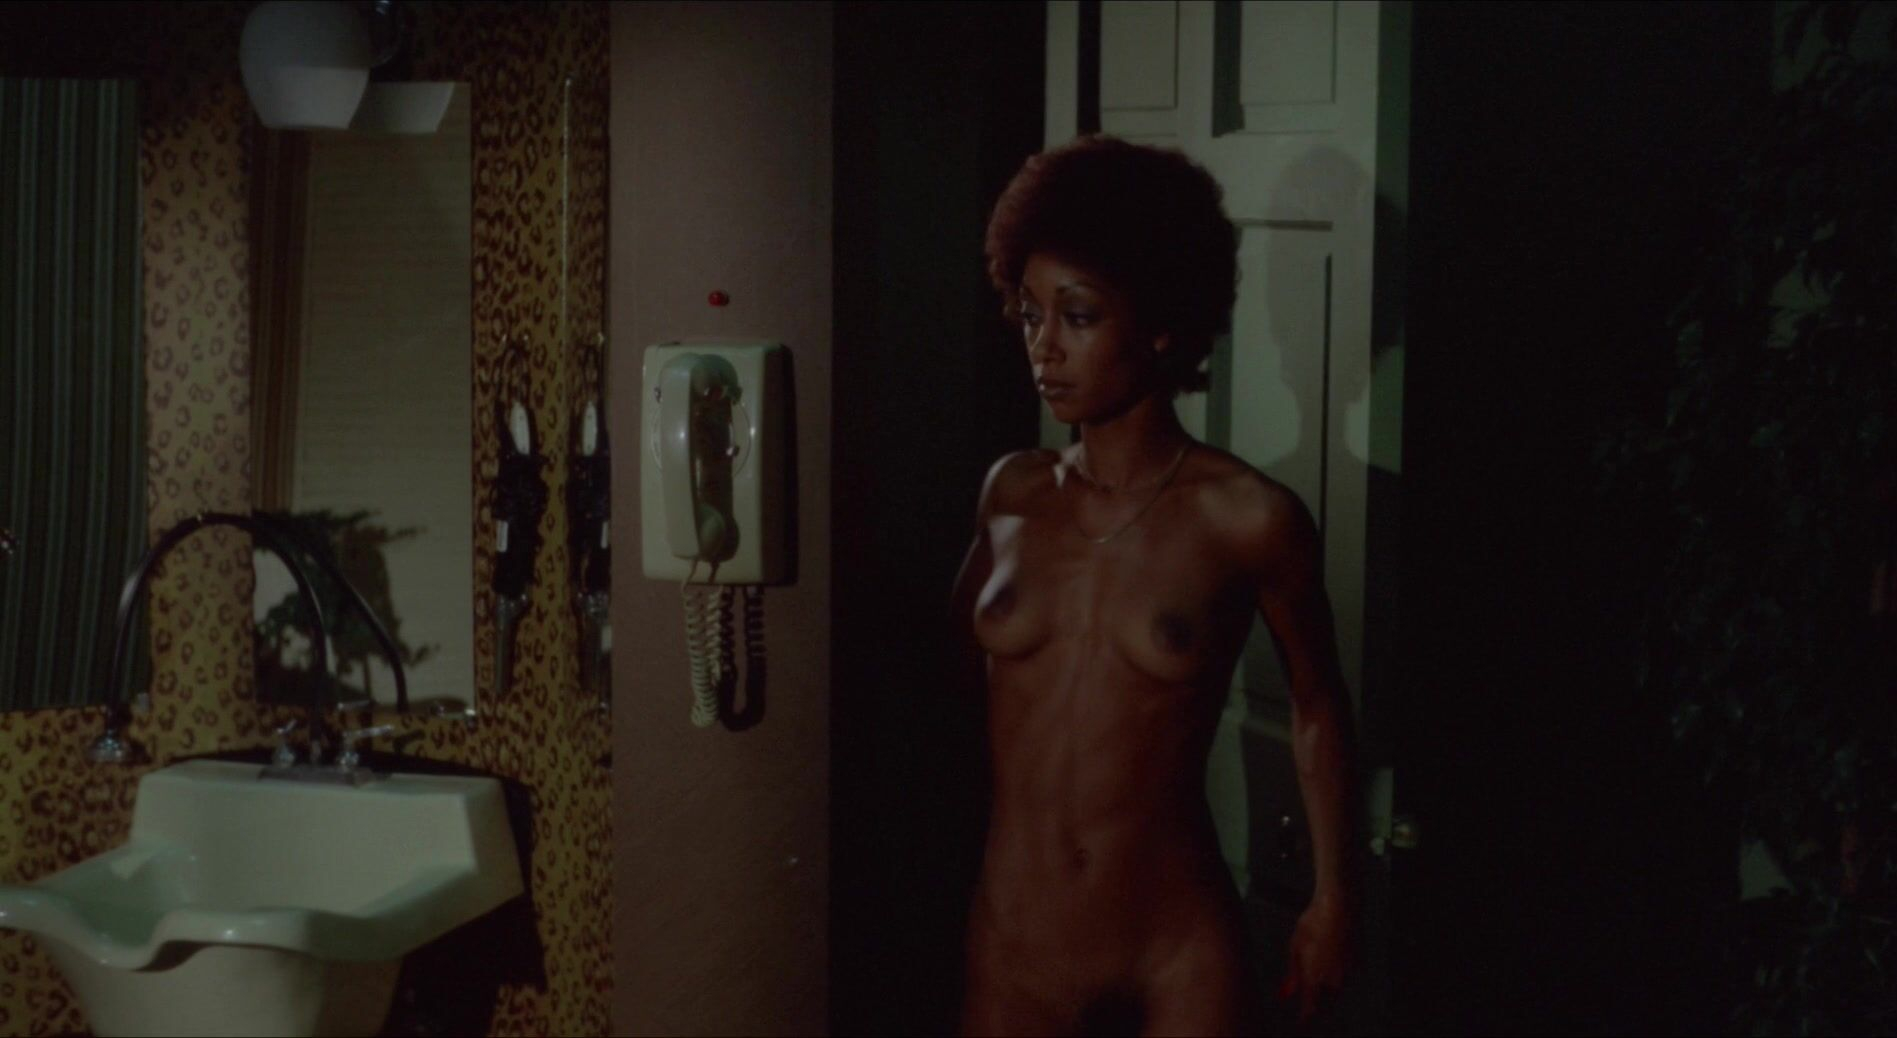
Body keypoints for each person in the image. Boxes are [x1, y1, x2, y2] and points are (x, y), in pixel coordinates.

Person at [953, 135, 1358, 1036]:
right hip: (1015, 943)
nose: (1044, 347)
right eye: (1029, 314)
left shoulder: (1246, 518)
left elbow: (1317, 705)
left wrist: (1333, 898)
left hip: (1175, 948)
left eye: (1078, 316)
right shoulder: (1011, 494)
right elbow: (943, 687)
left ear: (1161, 324)